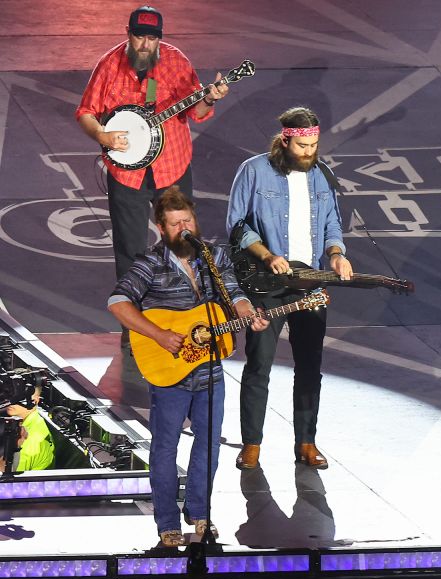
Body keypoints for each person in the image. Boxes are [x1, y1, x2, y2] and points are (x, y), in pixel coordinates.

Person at [108, 188, 267, 547]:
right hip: (169, 371)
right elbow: (118, 302)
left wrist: (247, 313)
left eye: (188, 220)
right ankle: (166, 521)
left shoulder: (213, 257)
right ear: (161, 228)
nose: (184, 228)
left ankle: (200, 513)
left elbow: (234, 293)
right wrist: (160, 334)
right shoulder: (150, 263)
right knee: (165, 447)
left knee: (208, 444)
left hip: (209, 368)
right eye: (175, 223)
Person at [226, 107, 349, 471]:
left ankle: (306, 442)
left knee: (310, 365)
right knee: (259, 364)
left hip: (309, 281)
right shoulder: (254, 170)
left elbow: (332, 225)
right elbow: (236, 224)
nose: (310, 152)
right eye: (303, 146)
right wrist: (266, 255)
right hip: (266, 281)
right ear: (286, 139)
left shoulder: (321, 175)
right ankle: (251, 444)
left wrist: (338, 255)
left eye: (314, 145)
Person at [76, 6, 230, 283]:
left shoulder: (176, 61)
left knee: (183, 244)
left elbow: (197, 112)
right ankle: (133, 319)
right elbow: (86, 111)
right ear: (128, 33)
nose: (146, 45)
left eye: (152, 38)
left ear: (160, 37)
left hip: (172, 170)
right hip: (126, 176)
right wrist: (102, 135)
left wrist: (210, 98)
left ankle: (186, 307)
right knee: (130, 251)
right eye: (139, 37)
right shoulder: (109, 65)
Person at [1, 385, 55, 474]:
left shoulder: (30, 440)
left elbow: (7, 476)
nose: (10, 401)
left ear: (35, 400)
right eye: (10, 394)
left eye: (20, 397)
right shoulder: (32, 419)